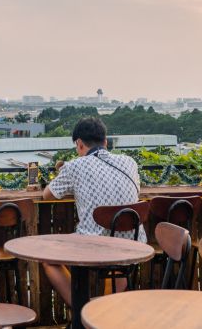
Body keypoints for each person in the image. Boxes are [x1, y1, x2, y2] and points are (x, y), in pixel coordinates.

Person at [41, 117, 141, 305]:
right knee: (119, 259)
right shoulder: (130, 163)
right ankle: (109, 313)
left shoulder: (74, 166)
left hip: (92, 245)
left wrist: (66, 175)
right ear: (105, 142)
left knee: (49, 260)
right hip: (131, 246)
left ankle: (82, 309)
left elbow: (47, 195)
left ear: (79, 144)